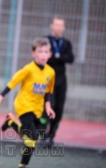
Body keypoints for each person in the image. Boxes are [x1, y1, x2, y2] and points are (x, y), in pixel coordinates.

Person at [0, 37, 56, 168]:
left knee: (32, 137)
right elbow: (12, 83)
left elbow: (48, 92)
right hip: (23, 105)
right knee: (32, 137)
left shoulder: (51, 72)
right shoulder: (28, 69)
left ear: (50, 54)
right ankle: (22, 167)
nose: (44, 55)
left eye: (46, 52)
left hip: (38, 109)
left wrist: (48, 107)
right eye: (40, 52)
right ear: (33, 53)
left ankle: (11, 122)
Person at [41, 15, 75, 145]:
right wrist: (60, 57)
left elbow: (70, 58)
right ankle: (43, 134)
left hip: (61, 80)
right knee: (48, 107)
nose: (59, 28)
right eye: (57, 25)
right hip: (47, 80)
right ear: (51, 25)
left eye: (61, 25)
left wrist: (57, 56)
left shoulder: (66, 43)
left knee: (59, 109)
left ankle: (51, 136)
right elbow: (45, 58)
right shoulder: (45, 40)